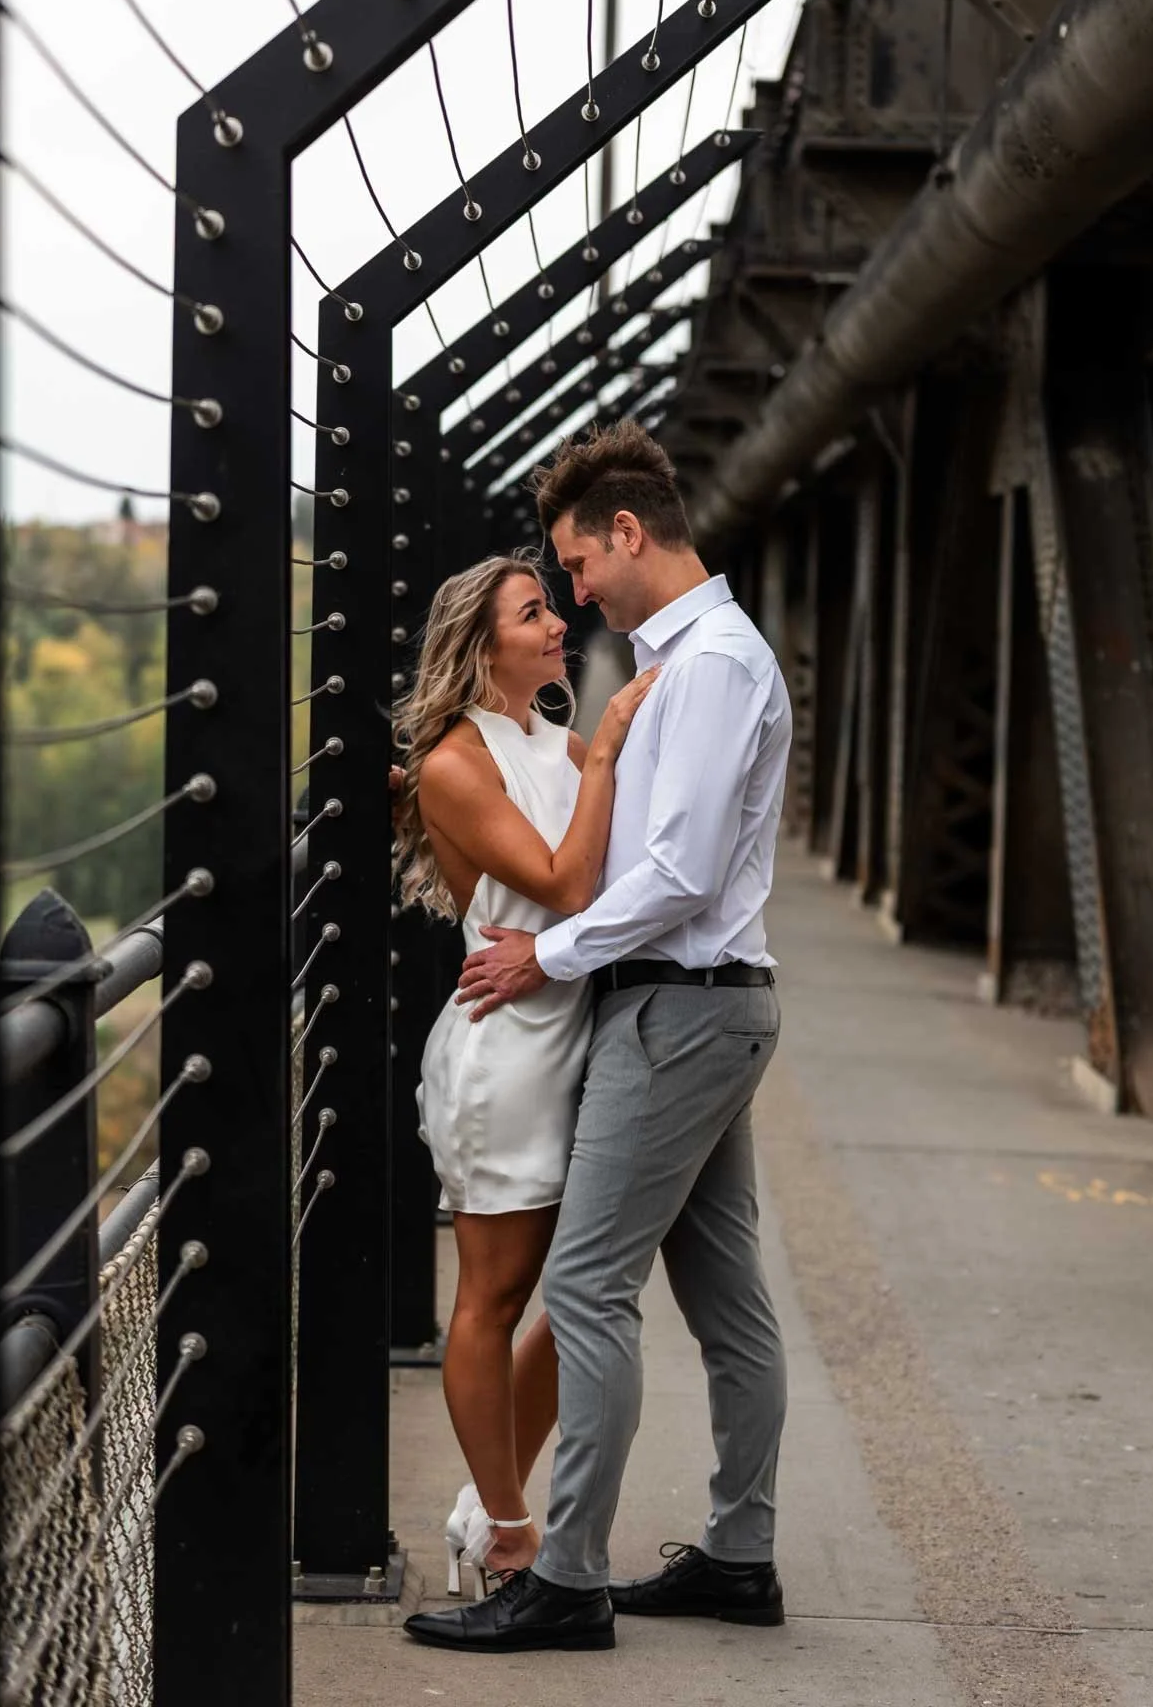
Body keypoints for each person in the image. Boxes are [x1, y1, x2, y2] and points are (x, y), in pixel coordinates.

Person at [404, 419, 791, 1654]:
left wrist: (548, 953)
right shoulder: (672, 666)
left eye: (574, 569)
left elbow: (666, 871)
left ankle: (563, 1577)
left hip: (676, 1007)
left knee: (580, 1286)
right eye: (550, 592)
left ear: (626, 533)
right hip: (676, 1007)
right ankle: (737, 1554)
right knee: (724, 1299)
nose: (574, 595)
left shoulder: (710, 666)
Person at [392, 553, 657, 1600]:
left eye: (550, 606)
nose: (557, 625)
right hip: (501, 1055)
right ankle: (507, 1528)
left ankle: (481, 1496)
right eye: (532, 612)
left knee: (585, 1287)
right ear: (481, 643)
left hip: (566, 1038)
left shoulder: (550, 738)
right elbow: (563, 879)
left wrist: (599, 758)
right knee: (492, 1298)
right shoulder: (460, 759)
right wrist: (606, 762)